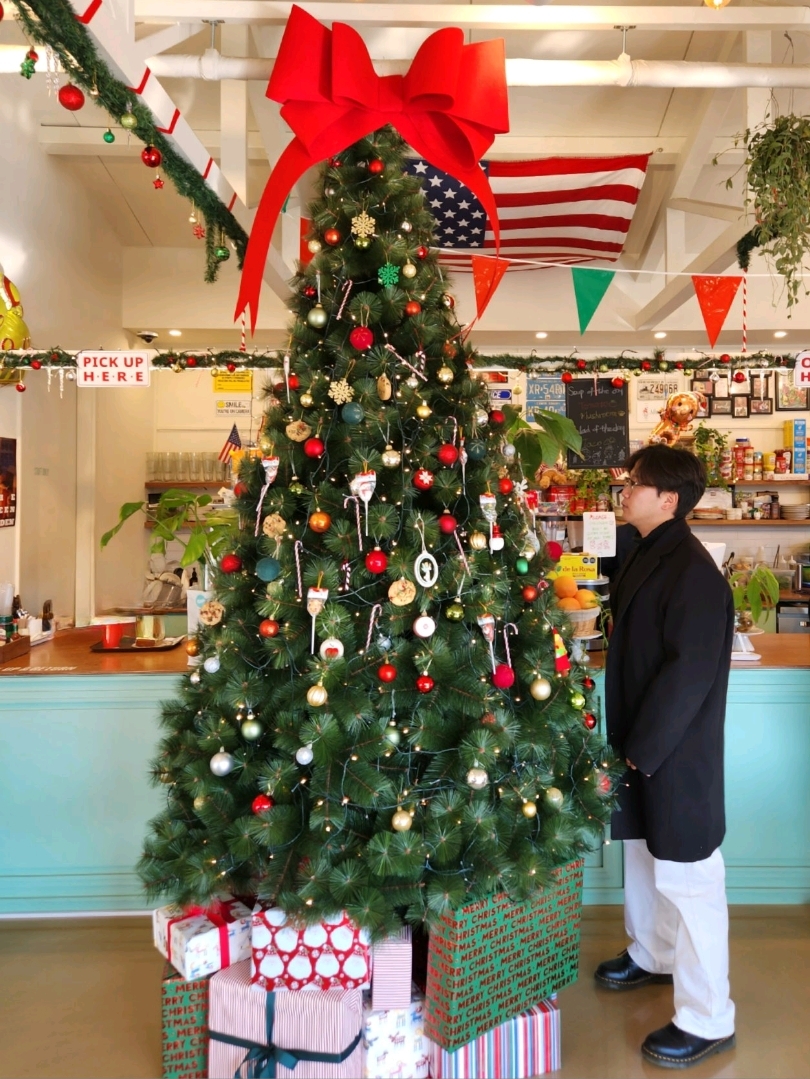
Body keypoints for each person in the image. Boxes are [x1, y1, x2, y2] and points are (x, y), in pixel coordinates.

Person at [595, 444, 736, 1069]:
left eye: (636, 485)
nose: (625, 492)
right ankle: (653, 953)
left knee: (690, 877)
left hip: (673, 751)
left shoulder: (695, 572)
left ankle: (709, 1018)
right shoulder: (647, 550)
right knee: (643, 856)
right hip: (639, 743)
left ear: (669, 499)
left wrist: (642, 750)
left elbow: (690, 675)